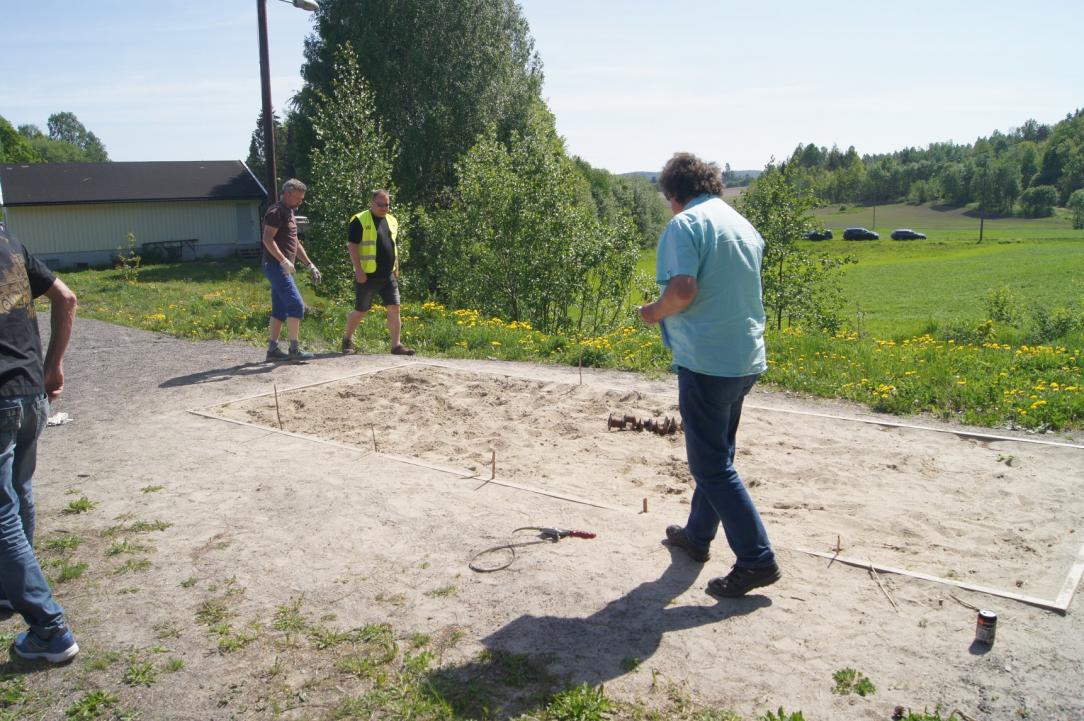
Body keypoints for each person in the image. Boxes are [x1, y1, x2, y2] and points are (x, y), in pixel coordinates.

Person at [638, 152, 780, 598]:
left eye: (667, 198)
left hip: (707, 360)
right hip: (744, 357)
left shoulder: (686, 225)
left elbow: (683, 289)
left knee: (710, 465)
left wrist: (653, 312)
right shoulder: (741, 224)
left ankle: (757, 559)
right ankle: (697, 537)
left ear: (675, 193)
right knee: (719, 454)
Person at [0, 227, 80, 662]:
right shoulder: (8, 241)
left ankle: (50, 630)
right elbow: (66, 298)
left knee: (1, 511)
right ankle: (11, 588)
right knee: (19, 491)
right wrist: (52, 367)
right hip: (30, 391)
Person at [340, 189, 415, 356]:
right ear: (372, 203)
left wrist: (396, 266)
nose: (384, 208)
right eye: (380, 205)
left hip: (388, 274)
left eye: (386, 204)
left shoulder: (392, 220)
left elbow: (393, 245)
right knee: (361, 310)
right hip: (367, 275)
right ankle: (347, 339)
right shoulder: (359, 220)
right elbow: (352, 246)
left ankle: (396, 346)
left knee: (394, 307)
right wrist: (359, 270)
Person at [261, 178, 321, 362]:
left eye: (302, 199)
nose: (300, 202)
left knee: (279, 310)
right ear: (287, 194)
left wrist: (309, 264)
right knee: (296, 305)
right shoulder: (276, 212)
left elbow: (295, 242)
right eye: (298, 198)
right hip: (276, 267)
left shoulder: (289, 212)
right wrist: (283, 260)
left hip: (281, 267)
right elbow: (267, 239)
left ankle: (272, 351)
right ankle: (294, 350)